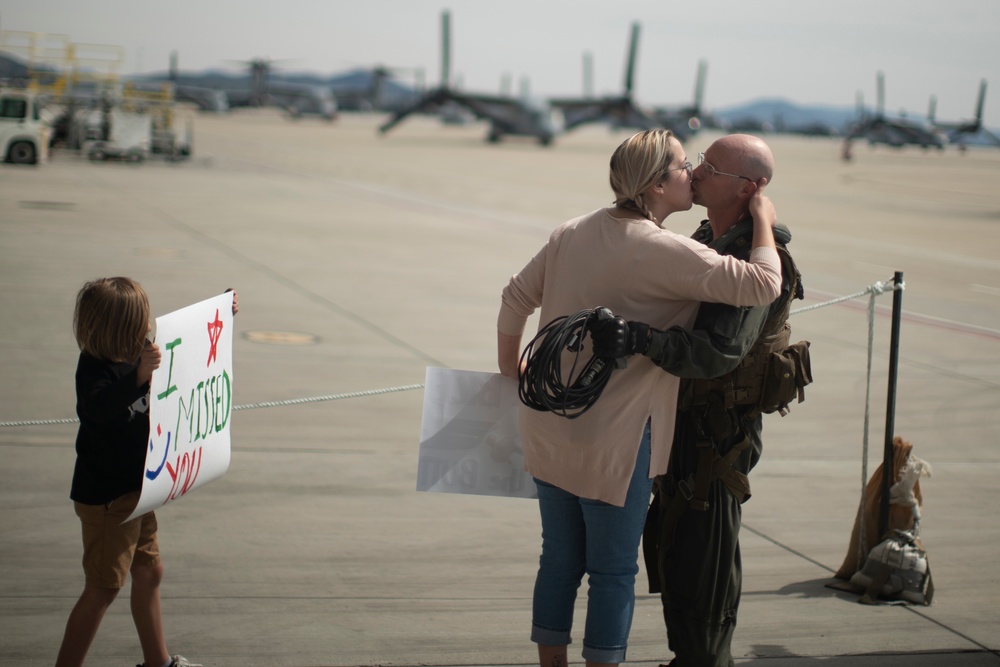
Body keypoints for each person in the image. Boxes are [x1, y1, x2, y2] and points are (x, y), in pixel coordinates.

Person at [496, 129, 785, 667]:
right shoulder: (665, 249)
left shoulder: (572, 230)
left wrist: (511, 370)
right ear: (656, 184)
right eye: (683, 166)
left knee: (558, 560)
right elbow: (763, 284)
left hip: (550, 425)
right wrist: (764, 217)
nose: (692, 174)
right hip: (616, 441)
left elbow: (514, 299)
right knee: (612, 572)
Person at [591, 134, 801, 667]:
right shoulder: (711, 236)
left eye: (712, 166)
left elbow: (718, 353)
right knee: (674, 548)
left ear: (749, 188)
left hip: (716, 440)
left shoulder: (764, 257)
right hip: (682, 425)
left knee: (703, 561)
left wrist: (639, 339)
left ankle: (705, 660)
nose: (698, 171)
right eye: (700, 161)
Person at [56, 278, 238, 667]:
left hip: (138, 491)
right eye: (139, 320)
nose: (147, 328)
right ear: (118, 327)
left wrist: (219, 313)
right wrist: (138, 377)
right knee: (103, 589)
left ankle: (158, 662)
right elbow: (97, 411)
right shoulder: (95, 367)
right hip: (107, 499)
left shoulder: (138, 352)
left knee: (150, 572)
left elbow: (185, 347)